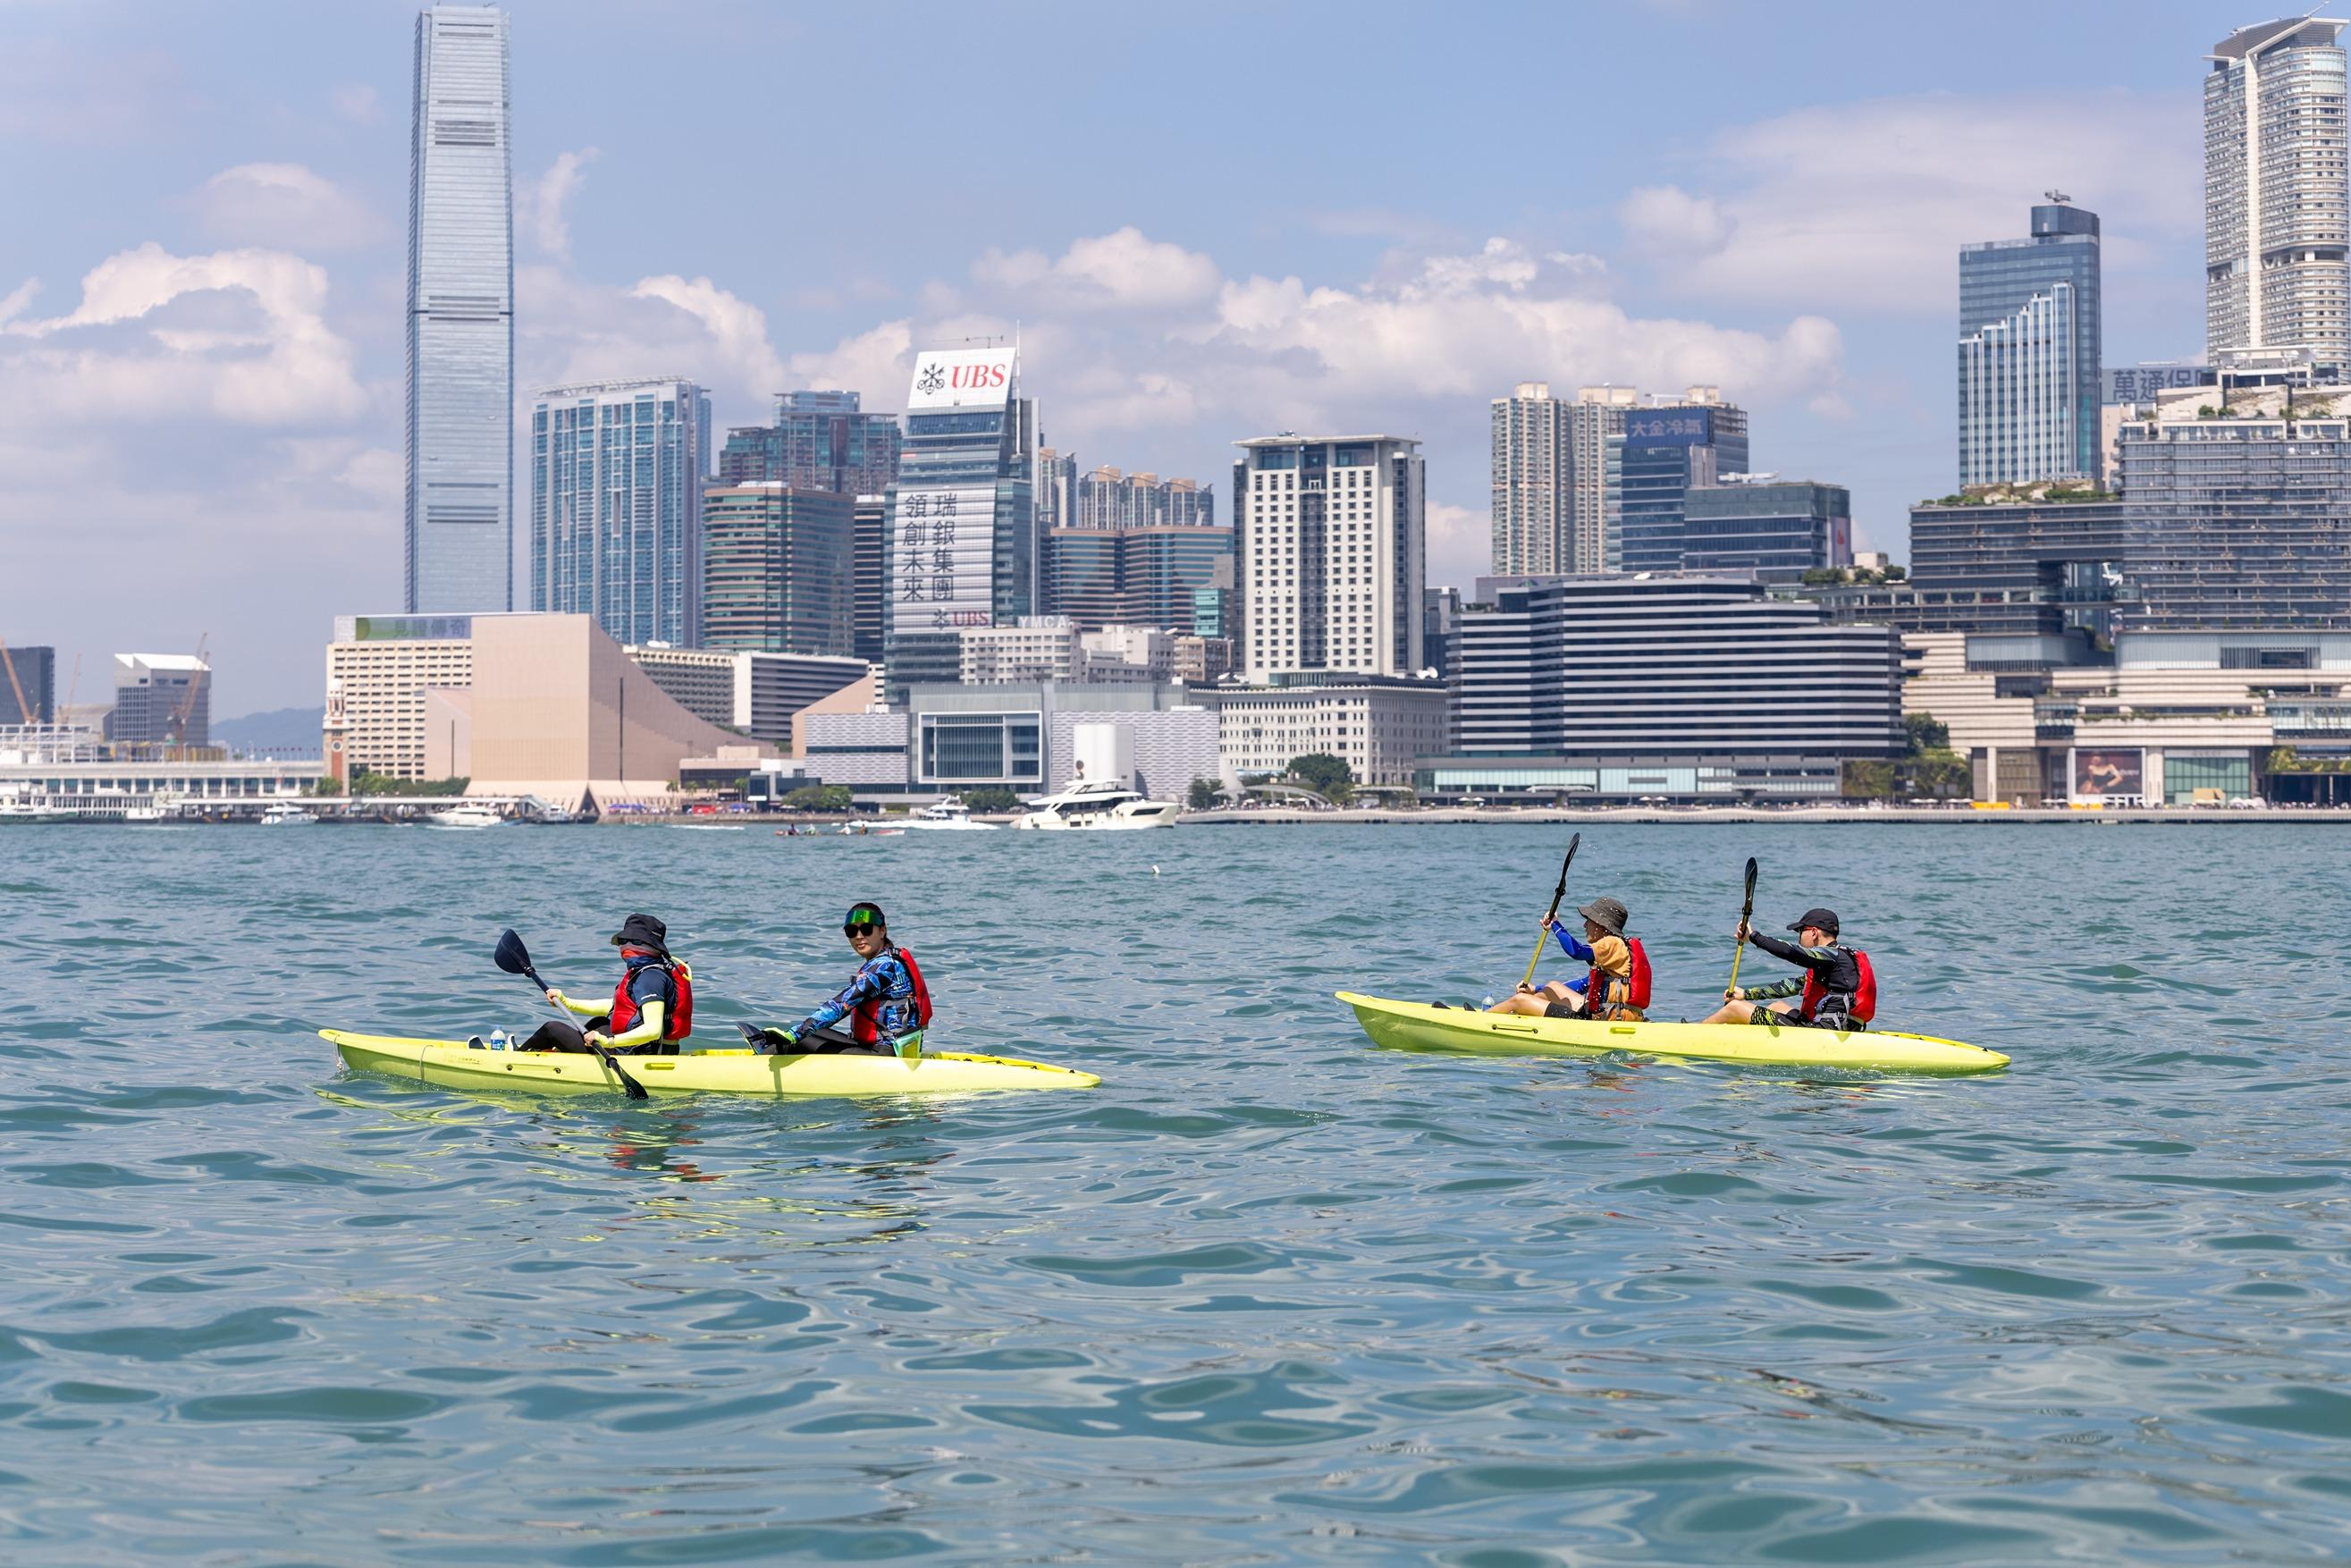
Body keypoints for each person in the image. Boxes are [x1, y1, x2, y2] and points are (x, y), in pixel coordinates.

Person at [747, 901, 932, 1057]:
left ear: (882, 931)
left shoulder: (884, 966)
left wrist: (795, 1035)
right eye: (852, 931)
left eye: (867, 929)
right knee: (816, 1031)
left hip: (884, 1056)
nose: (859, 936)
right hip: (886, 1049)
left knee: (800, 1040)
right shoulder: (888, 959)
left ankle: (762, 1062)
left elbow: (842, 1004)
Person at [527, 913, 695, 1054]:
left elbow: (653, 1030)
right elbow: (616, 1007)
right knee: (600, 1022)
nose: (626, 947)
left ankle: (516, 1058)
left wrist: (608, 1042)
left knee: (552, 1029)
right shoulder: (644, 971)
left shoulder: (650, 978)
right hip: (639, 1048)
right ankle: (556, 1053)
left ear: (652, 946)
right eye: (623, 941)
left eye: (634, 942)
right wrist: (567, 1002)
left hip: (640, 1053)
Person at [1700, 906, 1876, 1031]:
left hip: (1822, 1033)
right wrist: (1747, 994)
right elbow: (1791, 986)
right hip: (1844, 1027)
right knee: (1778, 1006)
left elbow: (1792, 952)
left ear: (1814, 932)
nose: (1799, 937)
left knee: (1735, 1008)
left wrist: (1754, 937)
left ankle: (1694, 1033)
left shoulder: (1829, 956)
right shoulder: (1837, 960)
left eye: (1801, 932)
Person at [1486, 896, 1650, 1022]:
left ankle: (1486, 1018)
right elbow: (1583, 985)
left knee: (1519, 1000)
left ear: (1602, 926)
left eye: (1589, 921)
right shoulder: (1615, 950)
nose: (1585, 926)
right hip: (1610, 1013)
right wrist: (1536, 989)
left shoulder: (1611, 943)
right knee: (1553, 987)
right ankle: (1517, 1015)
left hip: (1608, 1019)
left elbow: (1576, 951)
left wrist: (1555, 925)